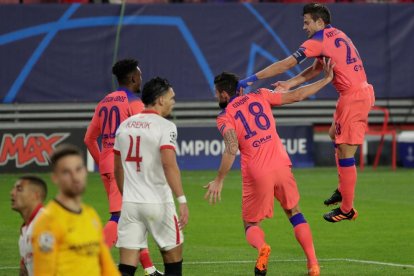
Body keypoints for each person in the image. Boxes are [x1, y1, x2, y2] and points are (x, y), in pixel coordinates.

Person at [238, 3, 375, 223]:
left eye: (307, 21)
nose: (304, 26)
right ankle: (343, 189)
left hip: (355, 97)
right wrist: (290, 84)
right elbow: (317, 69)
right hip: (352, 95)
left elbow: (285, 64)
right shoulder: (336, 34)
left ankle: (347, 208)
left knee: (346, 152)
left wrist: (251, 79)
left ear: (319, 22)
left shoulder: (318, 40)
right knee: (334, 136)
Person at [205, 59, 335, 276]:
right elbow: (297, 95)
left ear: (225, 95)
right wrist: (326, 79)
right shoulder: (261, 95)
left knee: (250, 223)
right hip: (282, 164)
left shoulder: (224, 116)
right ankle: (313, 264)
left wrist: (219, 179)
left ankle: (262, 248)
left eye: (216, 93)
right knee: (294, 212)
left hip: (257, 170)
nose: (216, 97)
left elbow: (231, 147)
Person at [84, 59, 161, 275]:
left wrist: (103, 164)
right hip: (126, 168)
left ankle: (149, 268)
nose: (141, 79)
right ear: (133, 78)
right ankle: (91, 261)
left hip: (108, 165)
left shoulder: (103, 103)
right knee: (119, 218)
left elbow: (89, 139)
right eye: (139, 75)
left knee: (132, 217)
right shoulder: (133, 102)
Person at [114, 77, 189, 276]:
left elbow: (118, 169)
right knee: (173, 261)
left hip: (130, 204)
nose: (173, 102)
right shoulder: (166, 127)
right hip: (158, 203)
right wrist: (181, 199)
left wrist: (127, 195)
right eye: (171, 98)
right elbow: (168, 164)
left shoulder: (124, 126)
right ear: (160, 99)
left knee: (126, 268)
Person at [31, 144, 120, 276]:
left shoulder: (91, 215)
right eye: (66, 172)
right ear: (55, 177)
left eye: (78, 169)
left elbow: (107, 267)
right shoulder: (48, 222)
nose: (75, 176)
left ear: (85, 171)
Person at [11, 175, 47, 276]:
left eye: (19, 189)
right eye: (13, 189)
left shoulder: (47, 223)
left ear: (35, 195)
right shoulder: (25, 229)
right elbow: (24, 269)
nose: (12, 193)